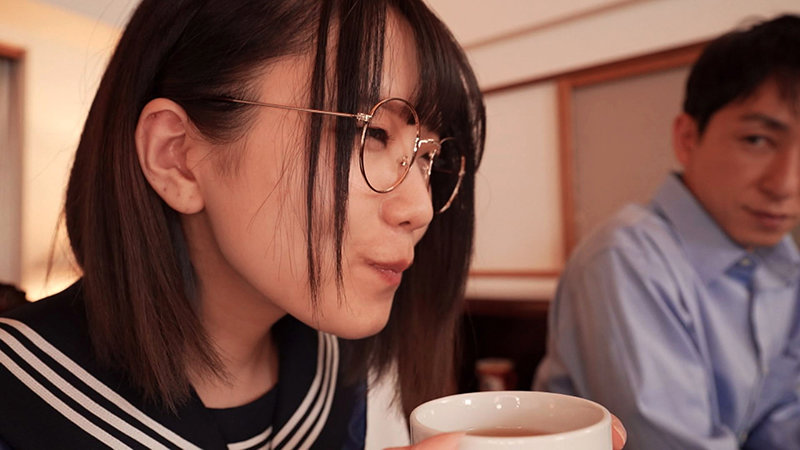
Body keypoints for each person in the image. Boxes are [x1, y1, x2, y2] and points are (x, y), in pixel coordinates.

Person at [0, 0, 486, 448]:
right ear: (177, 157)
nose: (420, 208)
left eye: (427, 156)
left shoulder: (334, 371)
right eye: (373, 133)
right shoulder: (22, 395)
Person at [535, 14, 800, 449]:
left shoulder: (783, 259)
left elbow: (782, 422)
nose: (786, 184)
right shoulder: (626, 259)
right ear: (687, 138)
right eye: (757, 140)